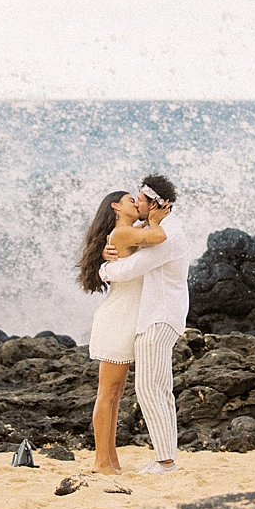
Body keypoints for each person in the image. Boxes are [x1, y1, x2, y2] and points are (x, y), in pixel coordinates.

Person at [99, 173, 189, 474]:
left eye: (139, 198)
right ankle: (167, 459)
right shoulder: (155, 227)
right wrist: (105, 254)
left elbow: (132, 268)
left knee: (151, 388)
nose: (135, 202)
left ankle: (165, 462)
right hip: (159, 315)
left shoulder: (168, 235)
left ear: (155, 204)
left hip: (158, 316)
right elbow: (126, 237)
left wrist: (103, 269)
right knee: (160, 389)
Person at [77, 190, 169, 475]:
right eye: (132, 200)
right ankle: (100, 462)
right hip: (117, 319)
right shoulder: (121, 234)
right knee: (107, 394)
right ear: (116, 206)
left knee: (115, 394)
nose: (137, 203)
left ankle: (111, 460)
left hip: (127, 319)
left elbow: (146, 236)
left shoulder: (127, 232)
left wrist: (150, 219)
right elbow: (159, 237)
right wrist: (155, 219)